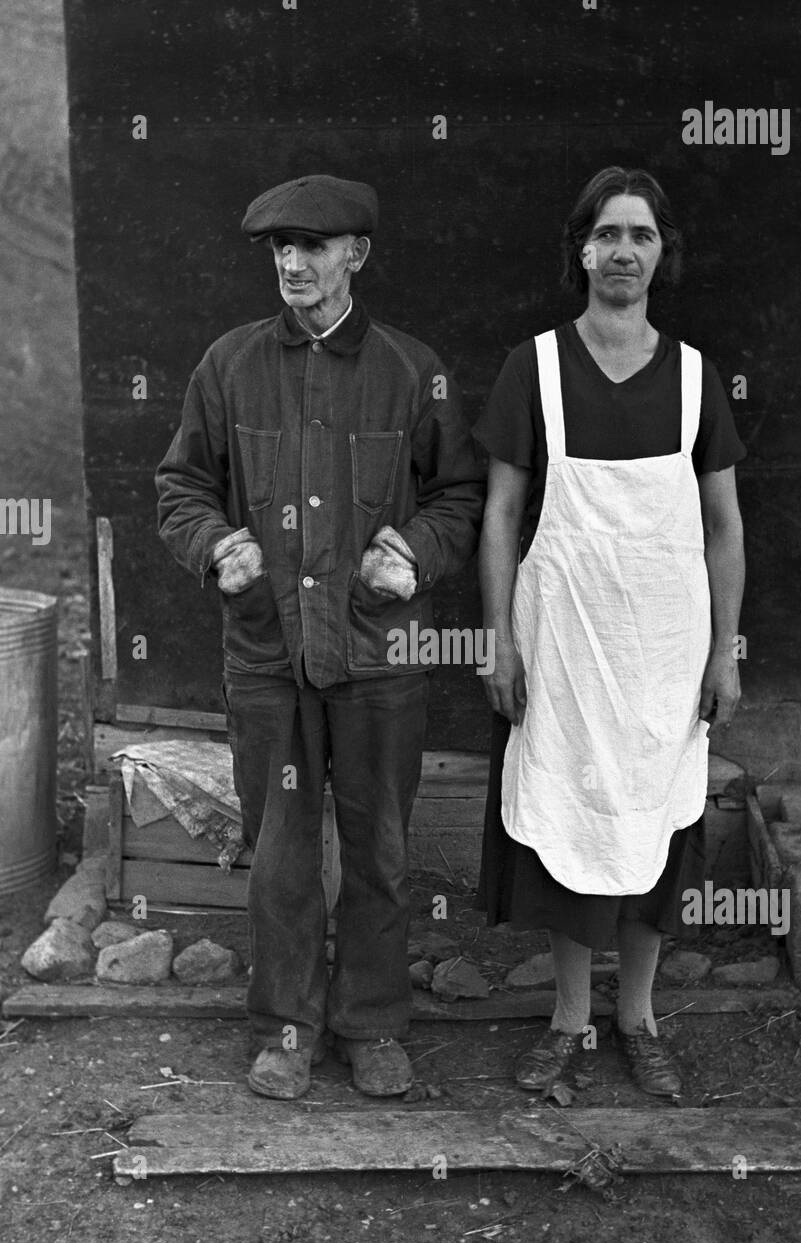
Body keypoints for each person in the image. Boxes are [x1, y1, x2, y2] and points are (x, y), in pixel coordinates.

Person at [156, 174, 485, 1100]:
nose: (293, 264)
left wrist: (414, 555)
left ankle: (373, 1025)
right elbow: (180, 486)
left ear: (358, 254)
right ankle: (286, 1028)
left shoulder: (412, 372)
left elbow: (461, 494)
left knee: (380, 848)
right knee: (282, 852)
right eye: (278, 249)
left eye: (313, 246)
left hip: (380, 657)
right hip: (268, 655)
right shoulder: (228, 365)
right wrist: (216, 543)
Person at [475, 167, 745, 1098]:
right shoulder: (535, 368)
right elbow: (502, 517)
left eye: (641, 234)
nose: (623, 250)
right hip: (565, 651)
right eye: (607, 234)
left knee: (654, 831)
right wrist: (499, 641)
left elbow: (723, 526)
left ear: (661, 253)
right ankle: (567, 1021)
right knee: (569, 822)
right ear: (581, 251)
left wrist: (724, 651)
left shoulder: (696, 375)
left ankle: (638, 1018)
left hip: (664, 659)